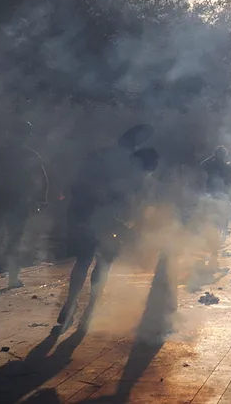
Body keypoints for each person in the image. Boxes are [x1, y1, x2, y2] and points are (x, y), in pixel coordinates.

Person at [56, 124, 157, 334]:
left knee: (84, 261)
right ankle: (88, 310)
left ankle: (72, 304)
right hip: (109, 220)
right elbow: (137, 198)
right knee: (101, 265)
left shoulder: (101, 157)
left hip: (95, 216)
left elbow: (80, 183)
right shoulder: (133, 165)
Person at [0, 121, 49, 291]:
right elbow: (41, 179)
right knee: (13, 242)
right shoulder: (29, 155)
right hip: (18, 204)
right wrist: (41, 200)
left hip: (0, 203)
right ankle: (13, 279)